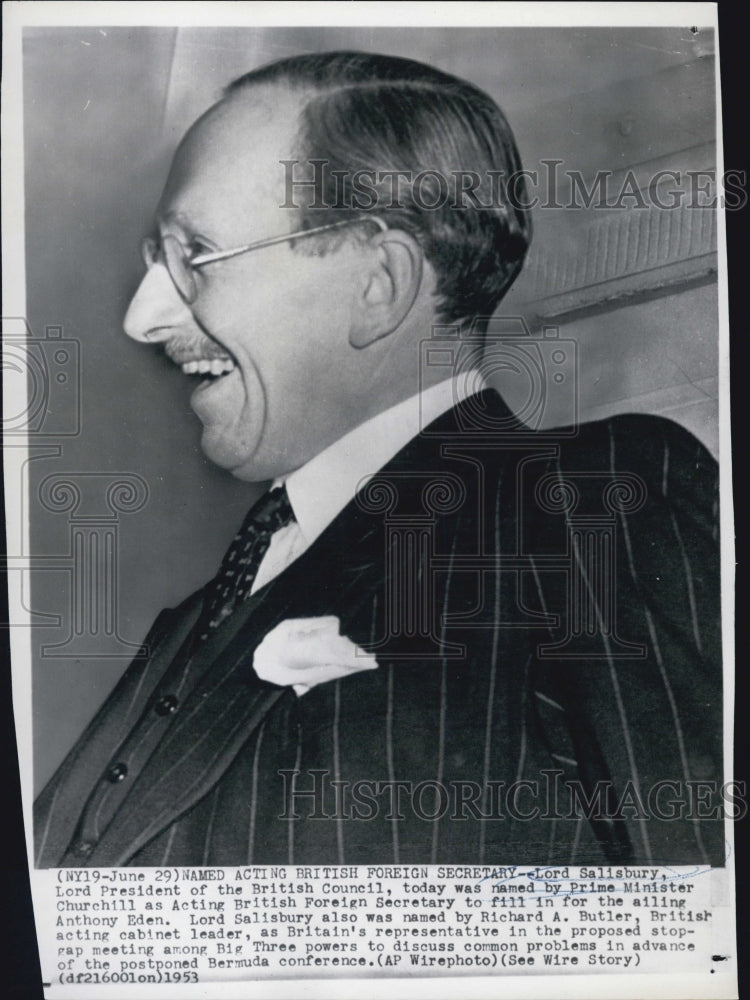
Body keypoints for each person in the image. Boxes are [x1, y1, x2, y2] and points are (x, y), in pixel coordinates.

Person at [34, 50, 723, 868]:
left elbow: (703, 923)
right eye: (157, 259)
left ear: (379, 284)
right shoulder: (195, 613)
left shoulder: (593, 498)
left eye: (195, 256)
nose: (143, 318)